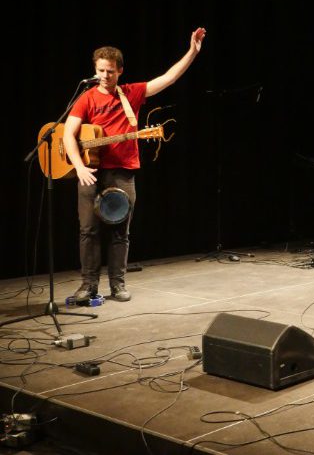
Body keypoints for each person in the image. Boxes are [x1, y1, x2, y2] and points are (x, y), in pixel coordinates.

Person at [64, 28, 207, 302]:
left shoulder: (132, 93)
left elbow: (168, 78)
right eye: (101, 71)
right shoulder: (87, 98)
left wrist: (192, 51)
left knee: (120, 231)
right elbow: (69, 134)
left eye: (110, 71)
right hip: (90, 172)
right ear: (95, 71)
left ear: (120, 71)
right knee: (88, 230)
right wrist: (79, 167)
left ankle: (118, 284)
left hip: (123, 173)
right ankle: (88, 286)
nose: (105, 76)